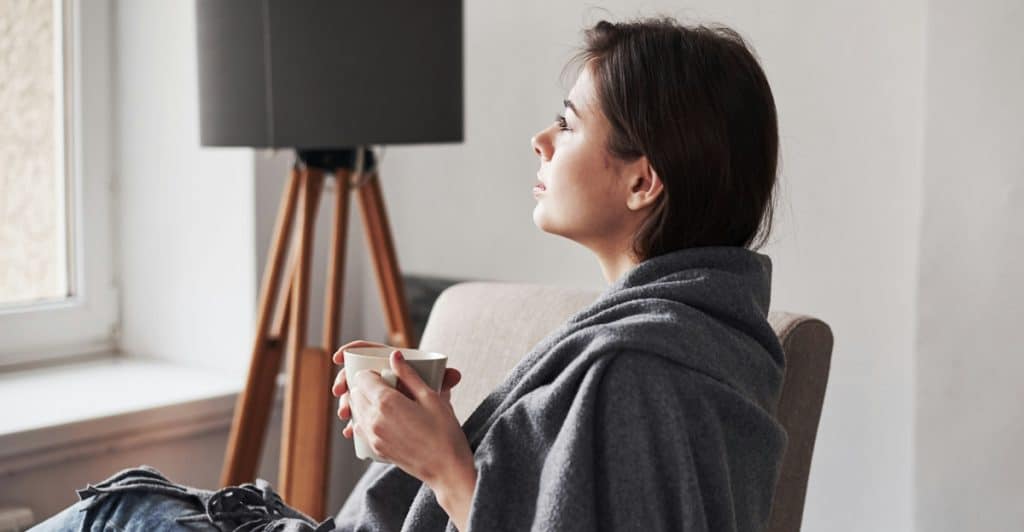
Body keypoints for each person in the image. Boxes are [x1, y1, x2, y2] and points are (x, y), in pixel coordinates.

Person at [30, 15, 784, 532]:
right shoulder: (688, 339)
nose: (540, 139)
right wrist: (436, 440)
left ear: (642, 182)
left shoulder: (645, 372)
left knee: (116, 512)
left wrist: (444, 463)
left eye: (570, 121)